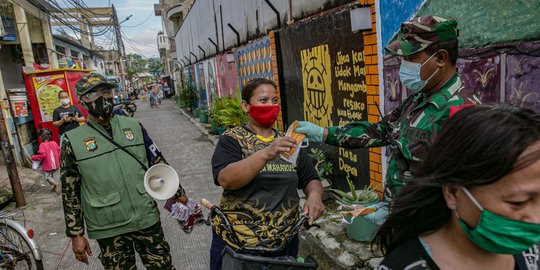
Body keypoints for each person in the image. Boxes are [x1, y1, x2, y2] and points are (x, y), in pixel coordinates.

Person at [296, 15, 479, 200]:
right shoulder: (418, 99)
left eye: (410, 57)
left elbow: (462, 191)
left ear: (440, 57)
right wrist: (324, 133)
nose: (403, 65)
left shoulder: (462, 112)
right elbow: (380, 131)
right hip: (400, 215)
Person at [373, 104, 540, 269]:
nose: (536, 219)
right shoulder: (405, 265)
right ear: (453, 192)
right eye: (518, 202)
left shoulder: (526, 249)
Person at [60, 73, 193, 269]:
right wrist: (76, 234)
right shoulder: (72, 141)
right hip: (108, 226)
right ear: (81, 101)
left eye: (106, 91)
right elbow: (69, 191)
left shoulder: (134, 126)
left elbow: (157, 161)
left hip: (145, 216)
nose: (102, 98)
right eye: (93, 94)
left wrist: (178, 193)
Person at [210, 78, 325, 270]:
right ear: (246, 106)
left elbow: (311, 179)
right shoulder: (231, 139)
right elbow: (226, 179)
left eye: (274, 100)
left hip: (284, 244)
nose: (271, 106)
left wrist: (314, 196)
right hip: (238, 245)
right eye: (263, 100)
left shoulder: (289, 142)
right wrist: (266, 153)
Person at [31, 128, 60, 193]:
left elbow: (42, 155)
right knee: (55, 177)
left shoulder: (42, 145)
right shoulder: (54, 143)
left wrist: (34, 157)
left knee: (48, 177)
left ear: (41, 137)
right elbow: (59, 152)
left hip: (48, 165)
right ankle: (55, 186)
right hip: (56, 164)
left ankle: (56, 185)